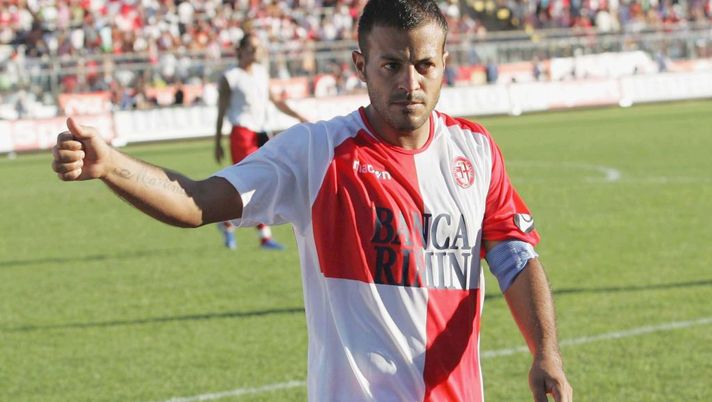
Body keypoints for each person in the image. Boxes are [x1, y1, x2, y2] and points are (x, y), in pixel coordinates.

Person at [51, 1, 573, 401]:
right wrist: (111, 165)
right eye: (390, 65)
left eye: (424, 65)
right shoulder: (317, 152)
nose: (409, 83)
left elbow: (513, 256)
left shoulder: (475, 150)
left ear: (444, 65)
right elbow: (198, 201)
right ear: (360, 65)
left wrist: (545, 349)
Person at [213, 33, 308, 250]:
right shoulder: (231, 77)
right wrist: (217, 141)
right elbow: (221, 111)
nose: (257, 52)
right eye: (253, 48)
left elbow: (275, 101)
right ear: (241, 50)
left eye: (258, 48)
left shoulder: (260, 73)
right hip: (242, 133)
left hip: (262, 132)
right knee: (252, 182)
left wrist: (298, 116)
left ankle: (230, 224)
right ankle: (259, 234)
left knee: (267, 180)